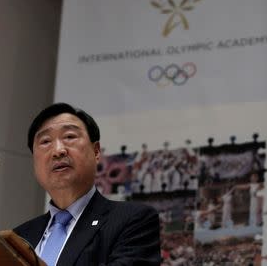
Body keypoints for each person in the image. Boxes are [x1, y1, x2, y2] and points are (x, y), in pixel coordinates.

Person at [13, 103, 161, 266]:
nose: (58, 150)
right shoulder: (19, 238)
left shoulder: (132, 220)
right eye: (46, 141)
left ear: (96, 151)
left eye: (69, 137)